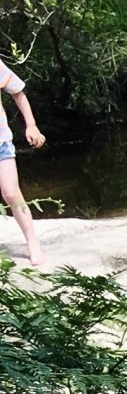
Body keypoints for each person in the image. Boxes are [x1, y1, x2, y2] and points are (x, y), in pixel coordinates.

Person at [0, 57, 45, 268]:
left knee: (11, 192)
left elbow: (17, 91)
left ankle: (32, 242)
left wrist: (32, 125)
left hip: (1, 141)